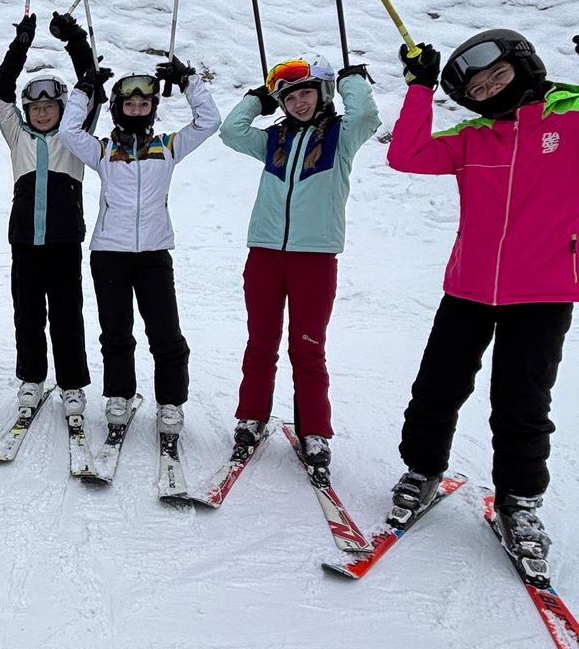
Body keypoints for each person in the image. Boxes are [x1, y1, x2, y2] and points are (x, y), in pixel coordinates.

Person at [387, 29, 579, 576]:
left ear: (524, 66)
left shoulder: (571, 118)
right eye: (479, 87)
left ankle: (519, 503)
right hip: (469, 288)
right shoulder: (474, 137)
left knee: (522, 401)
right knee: (436, 388)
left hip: (543, 293)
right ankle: (421, 472)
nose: (492, 88)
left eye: (499, 75)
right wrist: (420, 88)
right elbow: (407, 155)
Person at [219, 54, 380, 475]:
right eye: (290, 97)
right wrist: (257, 99)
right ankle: (251, 417)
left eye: (306, 92)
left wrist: (352, 80)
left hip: (315, 257)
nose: (298, 103)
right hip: (265, 255)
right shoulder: (274, 139)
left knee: (308, 348)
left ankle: (315, 430)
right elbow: (231, 133)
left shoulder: (341, 136)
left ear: (322, 92)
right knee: (261, 341)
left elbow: (365, 114)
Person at [58, 52, 220, 433]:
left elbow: (209, 121)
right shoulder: (102, 151)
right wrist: (84, 89)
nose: (135, 109)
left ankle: (170, 403)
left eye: (143, 103)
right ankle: (120, 394)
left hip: (154, 253)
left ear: (152, 108)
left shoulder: (167, 146)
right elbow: (68, 133)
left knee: (165, 333)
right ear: (117, 108)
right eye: (128, 103)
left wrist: (188, 80)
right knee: (116, 331)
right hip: (109, 253)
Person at [0, 10, 104, 419]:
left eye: (50, 106)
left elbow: (91, 86)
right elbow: (3, 90)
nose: (41, 113)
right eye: (34, 107)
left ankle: (72, 384)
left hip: (62, 242)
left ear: (62, 108)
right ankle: (32, 378)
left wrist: (74, 39)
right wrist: (21, 44)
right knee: (28, 314)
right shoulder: (16, 134)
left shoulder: (74, 136)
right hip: (24, 241)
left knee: (66, 315)